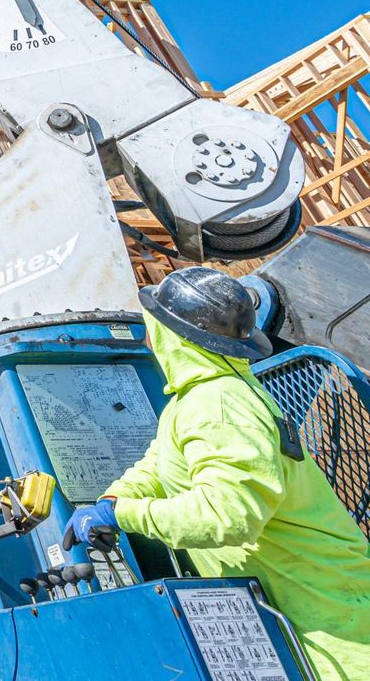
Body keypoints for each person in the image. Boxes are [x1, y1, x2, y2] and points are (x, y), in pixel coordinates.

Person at [62, 265, 370, 681]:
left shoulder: (219, 405)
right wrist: (113, 499)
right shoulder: (200, 398)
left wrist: (123, 518)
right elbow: (161, 462)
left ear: (171, 336)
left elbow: (226, 516)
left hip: (331, 625)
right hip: (307, 605)